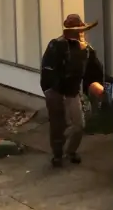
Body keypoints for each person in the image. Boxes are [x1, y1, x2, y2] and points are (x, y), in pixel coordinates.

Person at [40, 13, 106, 167]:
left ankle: (70, 151)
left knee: (78, 125)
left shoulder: (87, 50)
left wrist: (97, 87)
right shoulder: (56, 45)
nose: (80, 33)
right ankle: (57, 154)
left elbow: (94, 71)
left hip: (72, 91)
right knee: (58, 124)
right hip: (55, 91)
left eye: (81, 30)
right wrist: (51, 90)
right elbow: (48, 69)